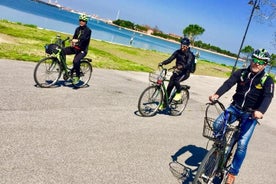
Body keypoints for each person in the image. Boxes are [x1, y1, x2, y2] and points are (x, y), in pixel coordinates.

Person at [209, 48, 274, 184]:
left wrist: (260, 111)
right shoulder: (242, 73)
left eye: (261, 62)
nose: (256, 63)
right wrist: (217, 94)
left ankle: (233, 173)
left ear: (265, 64)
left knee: (242, 144)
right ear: (251, 60)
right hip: (235, 108)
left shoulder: (267, 80)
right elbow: (228, 83)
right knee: (217, 124)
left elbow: (268, 96)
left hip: (251, 115)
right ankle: (218, 148)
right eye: (255, 60)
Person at [158, 37, 194, 109]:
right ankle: (164, 104)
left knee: (176, 81)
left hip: (185, 73)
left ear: (187, 46)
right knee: (169, 87)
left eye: (184, 45)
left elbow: (188, 64)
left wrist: (181, 67)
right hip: (177, 72)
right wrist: (163, 63)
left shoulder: (190, 55)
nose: (182, 47)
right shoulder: (177, 52)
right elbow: (170, 59)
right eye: (181, 45)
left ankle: (178, 93)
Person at [62, 14, 92, 84]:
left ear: (86, 22)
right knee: (62, 51)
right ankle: (62, 67)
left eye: (83, 21)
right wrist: (72, 42)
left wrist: (77, 40)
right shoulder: (77, 29)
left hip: (82, 50)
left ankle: (77, 76)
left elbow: (84, 39)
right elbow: (74, 37)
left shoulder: (88, 30)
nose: (81, 22)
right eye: (80, 20)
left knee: (75, 61)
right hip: (75, 48)